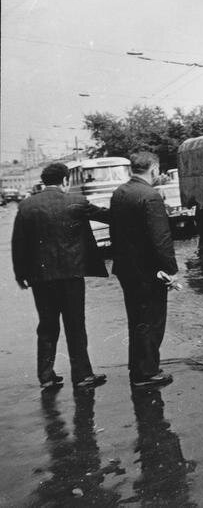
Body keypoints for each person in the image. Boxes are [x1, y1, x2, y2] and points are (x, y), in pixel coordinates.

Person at [11, 163, 109, 389]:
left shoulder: (26, 206)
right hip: (71, 275)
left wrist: (20, 274)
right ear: (66, 180)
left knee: (47, 326)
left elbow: (18, 243)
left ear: (44, 182)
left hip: (40, 278)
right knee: (75, 325)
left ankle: (46, 377)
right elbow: (107, 216)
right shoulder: (76, 202)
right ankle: (83, 375)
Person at [110, 151, 178, 389]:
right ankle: (147, 373)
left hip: (127, 269)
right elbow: (161, 238)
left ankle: (137, 368)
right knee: (152, 322)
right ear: (154, 170)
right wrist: (170, 269)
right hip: (149, 272)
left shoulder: (119, 193)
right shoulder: (150, 196)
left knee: (137, 320)